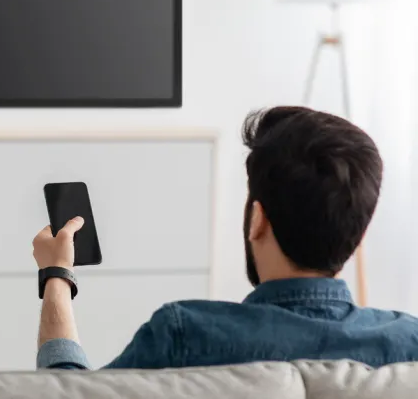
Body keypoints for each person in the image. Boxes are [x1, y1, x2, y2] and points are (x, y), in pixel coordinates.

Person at [33, 106, 418, 370]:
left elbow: (67, 395)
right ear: (360, 229)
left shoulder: (186, 334)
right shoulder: (408, 344)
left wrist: (56, 275)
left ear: (257, 219)